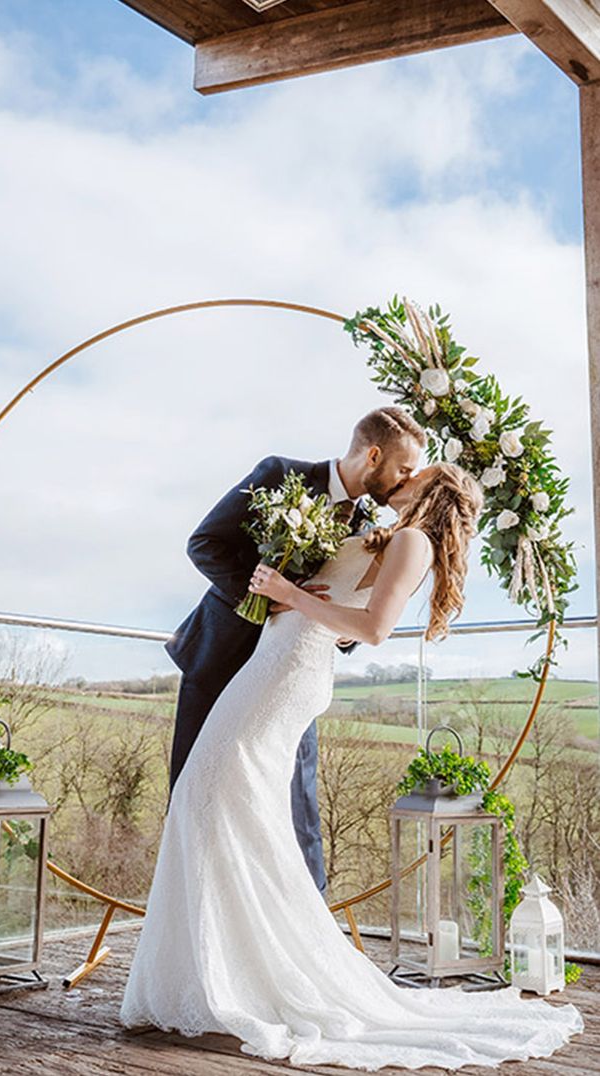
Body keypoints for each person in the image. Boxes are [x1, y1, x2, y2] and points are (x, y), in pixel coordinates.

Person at [119, 460, 584, 1070]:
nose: (405, 476)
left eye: (418, 473)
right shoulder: (390, 536)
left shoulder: (414, 542)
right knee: (219, 807)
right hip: (270, 664)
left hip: (286, 677)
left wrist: (286, 596)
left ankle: (249, 974)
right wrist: (285, 589)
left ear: (431, 490)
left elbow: (373, 629)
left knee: (209, 796)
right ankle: (218, 970)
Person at [164, 406, 425, 896]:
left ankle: (303, 934)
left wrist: (341, 633)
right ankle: (193, 918)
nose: (405, 481)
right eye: (404, 469)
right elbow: (205, 544)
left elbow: (348, 610)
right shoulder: (280, 475)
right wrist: (266, 597)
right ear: (373, 456)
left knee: (295, 809)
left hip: (288, 680)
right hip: (221, 661)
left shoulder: (374, 527)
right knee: (196, 798)